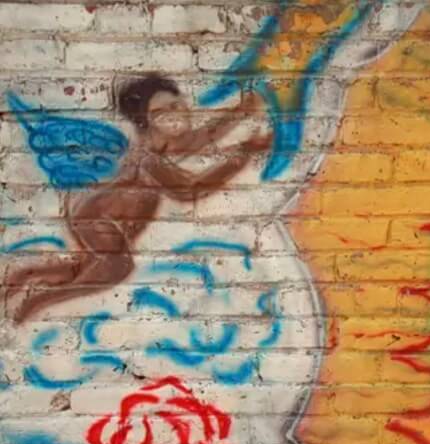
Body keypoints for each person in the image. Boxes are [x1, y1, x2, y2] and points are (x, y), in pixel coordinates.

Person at [3, 74, 272, 323]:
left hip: (101, 215)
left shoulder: (164, 142)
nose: (173, 115)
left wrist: (243, 111)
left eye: (176, 105)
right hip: (100, 218)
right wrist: (243, 154)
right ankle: (39, 302)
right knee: (117, 266)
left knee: (88, 268)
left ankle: (26, 277)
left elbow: (202, 138)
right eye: (159, 113)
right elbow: (189, 190)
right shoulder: (148, 158)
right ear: (146, 121)